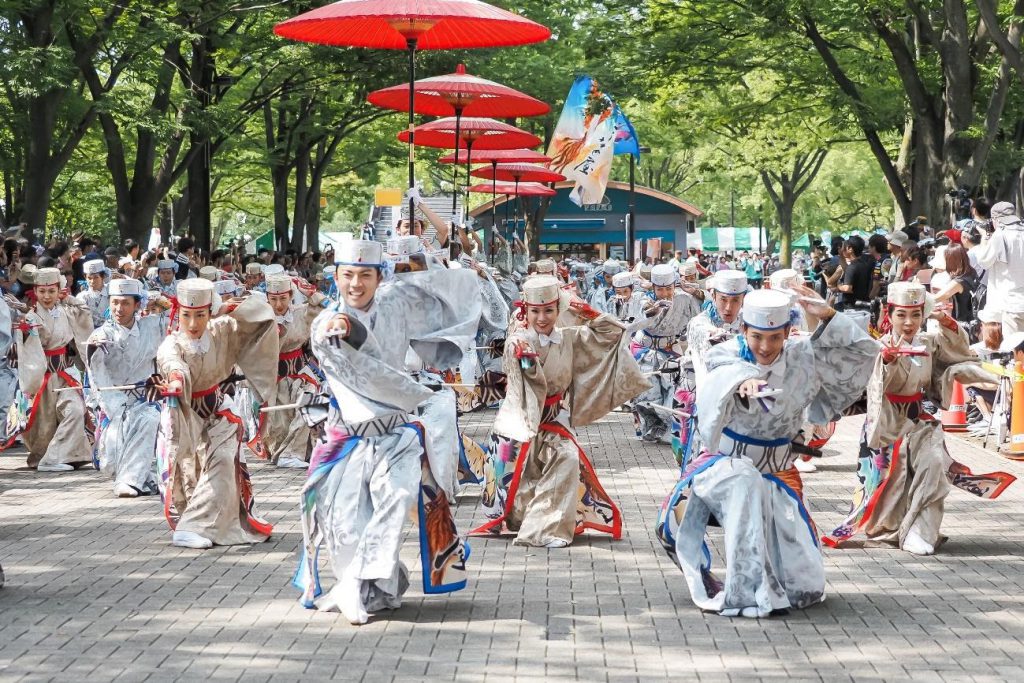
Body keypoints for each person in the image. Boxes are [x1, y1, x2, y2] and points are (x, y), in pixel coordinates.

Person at [657, 286, 878, 617]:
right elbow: (723, 375)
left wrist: (829, 316)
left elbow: (865, 352)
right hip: (726, 467)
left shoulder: (805, 354)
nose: (764, 346)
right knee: (745, 483)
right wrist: (742, 382)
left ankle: (772, 582)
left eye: (774, 337)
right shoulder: (726, 352)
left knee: (805, 586)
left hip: (778, 473)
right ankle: (743, 591)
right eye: (757, 336)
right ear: (744, 329)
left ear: (788, 332)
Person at [293, 240, 476, 623]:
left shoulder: (395, 300)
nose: (355, 284)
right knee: (345, 525)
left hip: (395, 435)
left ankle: (355, 583)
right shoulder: (323, 326)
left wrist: (422, 259)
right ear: (336, 278)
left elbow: (452, 289)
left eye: (365, 275)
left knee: (394, 502)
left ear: (380, 277)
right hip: (349, 437)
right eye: (347, 276)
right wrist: (350, 329)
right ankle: (363, 585)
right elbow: (370, 372)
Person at [823, 283, 1015, 555]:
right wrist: (886, 361)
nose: (909, 322)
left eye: (915, 314)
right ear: (889, 314)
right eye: (901, 315)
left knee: (934, 465)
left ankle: (920, 531)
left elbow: (957, 354)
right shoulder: (879, 345)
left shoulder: (929, 343)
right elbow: (869, 384)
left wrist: (947, 322)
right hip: (887, 420)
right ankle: (890, 529)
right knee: (892, 480)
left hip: (921, 418)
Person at [471, 275, 649, 549]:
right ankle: (522, 518)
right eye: (535, 311)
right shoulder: (518, 339)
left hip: (554, 418)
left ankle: (547, 527)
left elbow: (613, 334)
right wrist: (522, 353)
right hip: (520, 419)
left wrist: (587, 312)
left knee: (566, 457)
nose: (542, 318)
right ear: (525, 311)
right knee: (519, 483)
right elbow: (519, 359)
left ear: (558, 311)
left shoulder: (568, 337)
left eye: (549, 311)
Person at [156, 278, 279, 549]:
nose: (193, 323)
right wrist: (176, 380)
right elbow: (171, 363)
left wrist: (232, 310)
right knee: (191, 471)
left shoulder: (222, 329)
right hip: (187, 413)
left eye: (200, 315)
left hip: (218, 411)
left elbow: (262, 317)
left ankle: (193, 527)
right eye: (187, 315)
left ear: (210, 312)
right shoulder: (172, 343)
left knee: (223, 461)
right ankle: (199, 522)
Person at [11, 268, 94, 471]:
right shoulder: (31, 318)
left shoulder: (66, 310)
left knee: (75, 410)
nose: (47, 296)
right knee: (44, 427)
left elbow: (85, 313)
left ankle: (58, 457)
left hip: (65, 374)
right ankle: (47, 457)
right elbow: (27, 349)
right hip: (42, 377)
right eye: (42, 291)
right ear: (35, 292)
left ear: (59, 290)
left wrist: (69, 299)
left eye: (51, 291)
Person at [87, 279, 164, 497]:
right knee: (110, 462)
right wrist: (114, 404)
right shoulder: (102, 334)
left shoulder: (151, 326)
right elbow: (96, 373)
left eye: (126, 303)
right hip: (114, 403)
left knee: (149, 419)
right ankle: (144, 478)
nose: (119, 309)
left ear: (138, 305)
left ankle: (129, 481)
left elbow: (177, 319)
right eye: (115, 303)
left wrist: (160, 300)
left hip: (146, 400)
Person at [262, 273, 327, 469]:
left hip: (301, 373)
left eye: (283, 298)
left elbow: (325, 309)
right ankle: (285, 453)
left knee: (306, 407)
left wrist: (310, 293)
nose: (279, 304)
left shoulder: (301, 312)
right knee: (280, 425)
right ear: (267, 298)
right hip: (275, 377)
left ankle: (292, 454)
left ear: (291, 295)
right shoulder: (261, 320)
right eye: (273, 299)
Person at [631, 264, 701, 443]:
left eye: (669, 288)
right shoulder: (642, 299)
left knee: (673, 390)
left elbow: (698, 314)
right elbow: (639, 317)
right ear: (653, 287)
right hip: (644, 350)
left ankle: (673, 429)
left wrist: (697, 293)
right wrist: (652, 310)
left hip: (670, 349)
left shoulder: (684, 299)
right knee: (647, 394)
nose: (665, 293)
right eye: (660, 289)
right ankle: (653, 426)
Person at [974, 201, 1024, 334]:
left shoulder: (1000, 235)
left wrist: (985, 236)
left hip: (1010, 303)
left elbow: (983, 261)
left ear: (995, 219)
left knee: (1014, 348)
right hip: (1019, 300)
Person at [931, 244, 977, 324]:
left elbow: (937, 298)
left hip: (963, 323)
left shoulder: (958, 282)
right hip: (972, 321)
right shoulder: (971, 273)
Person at [836, 236, 873, 309]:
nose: (842, 249)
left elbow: (847, 288)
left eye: (844, 247)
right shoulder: (866, 263)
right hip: (864, 304)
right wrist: (841, 255)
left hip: (851, 307)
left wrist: (839, 286)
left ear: (850, 249)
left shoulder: (852, 267)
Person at [76, 258, 110, 328]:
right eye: (89, 278)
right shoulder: (82, 296)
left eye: (96, 277)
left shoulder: (111, 292)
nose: (92, 281)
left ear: (102, 277)